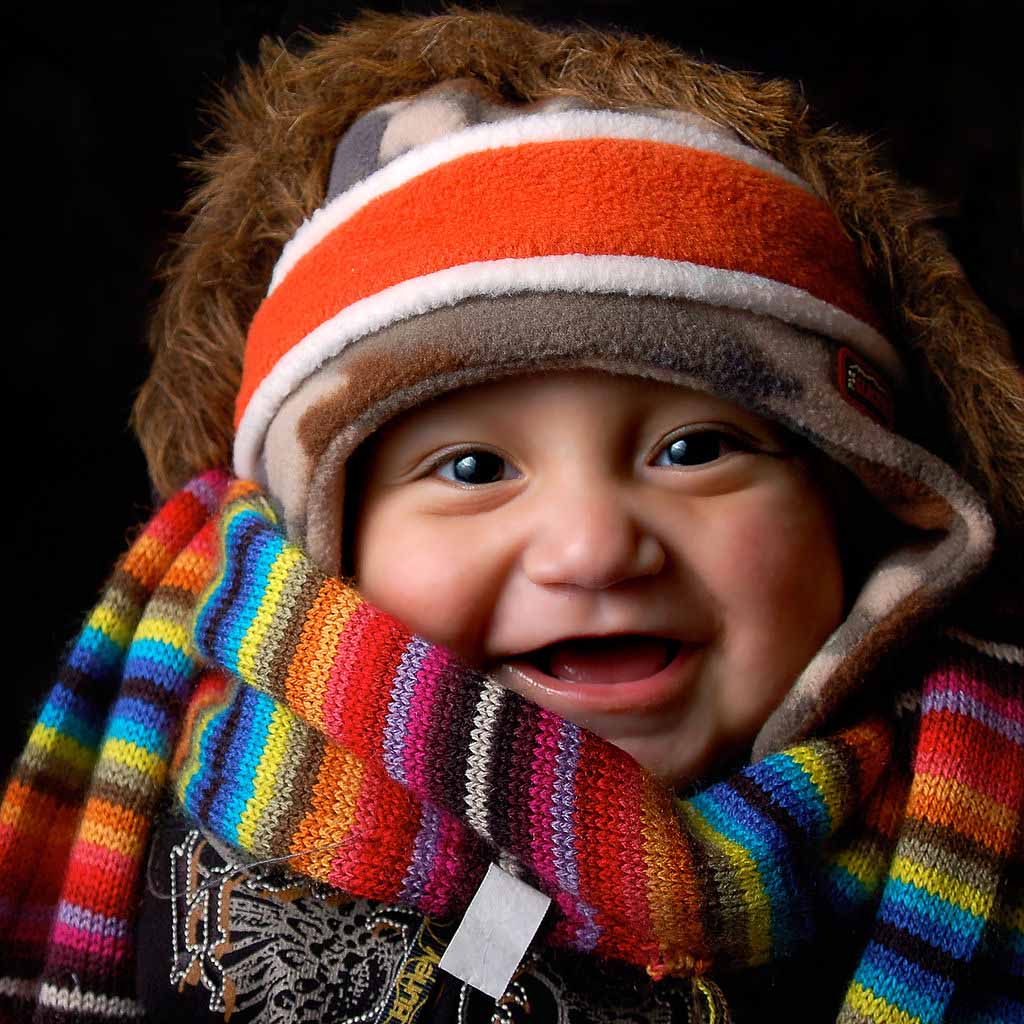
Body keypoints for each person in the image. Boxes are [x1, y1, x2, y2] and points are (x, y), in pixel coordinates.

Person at [1, 7, 1021, 1024]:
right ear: (325, 549)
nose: (591, 547)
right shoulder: (203, 866)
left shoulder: (975, 830)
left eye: (695, 450)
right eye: (475, 466)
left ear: (859, 510)